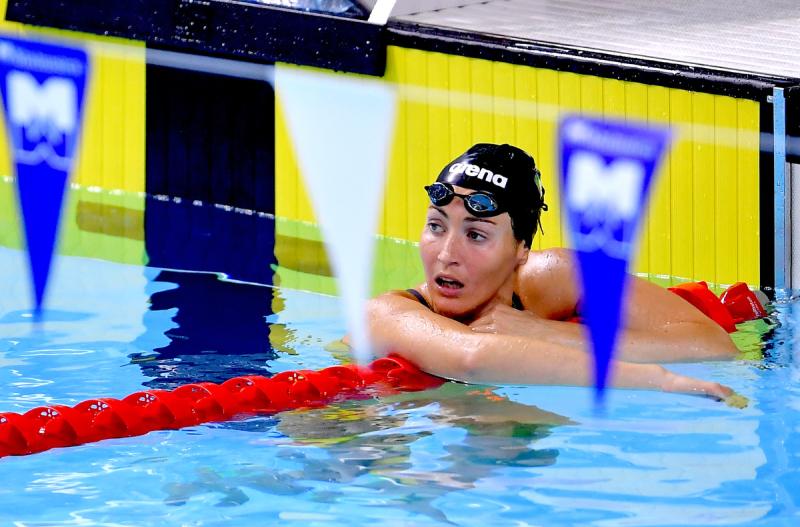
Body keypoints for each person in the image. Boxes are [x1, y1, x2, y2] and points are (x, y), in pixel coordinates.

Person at [366, 143, 743, 404]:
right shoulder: (386, 314)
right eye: (436, 226)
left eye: (476, 234)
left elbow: (712, 345)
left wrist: (546, 332)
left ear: (521, 249)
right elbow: (473, 359)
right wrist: (659, 380)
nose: (447, 254)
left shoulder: (556, 276)